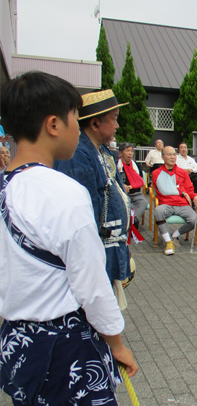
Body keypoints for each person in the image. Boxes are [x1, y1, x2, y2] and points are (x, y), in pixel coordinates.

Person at [0, 70, 137, 406]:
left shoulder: (6, 189)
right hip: (65, 351)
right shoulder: (64, 193)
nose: (79, 128)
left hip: (16, 347)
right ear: (53, 124)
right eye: (76, 118)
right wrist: (116, 343)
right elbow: (91, 285)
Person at [53, 89, 132, 303]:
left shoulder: (99, 151)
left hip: (109, 248)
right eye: (114, 119)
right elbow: (85, 220)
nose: (117, 125)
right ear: (96, 124)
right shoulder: (78, 156)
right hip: (95, 257)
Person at [152, 145, 197, 255]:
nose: (173, 157)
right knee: (158, 211)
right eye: (169, 154)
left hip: (182, 204)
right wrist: (182, 192)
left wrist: (194, 196)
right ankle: (168, 241)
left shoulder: (182, 172)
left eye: (174, 154)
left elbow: (189, 189)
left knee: (194, 220)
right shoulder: (156, 173)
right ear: (163, 157)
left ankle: (175, 234)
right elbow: (164, 190)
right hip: (166, 204)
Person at [118, 142, 147, 228]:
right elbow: (113, 179)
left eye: (131, 151)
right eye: (127, 151)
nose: (130, 153)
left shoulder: (136, 165)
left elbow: (141, 181)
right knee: (129, 205)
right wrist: (122, 185)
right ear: (120, 153)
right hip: (123, 193)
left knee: (144, 202)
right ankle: (132, 223)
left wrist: (131, 186)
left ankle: (132, 220)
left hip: (136, 193)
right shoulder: (117, 165)